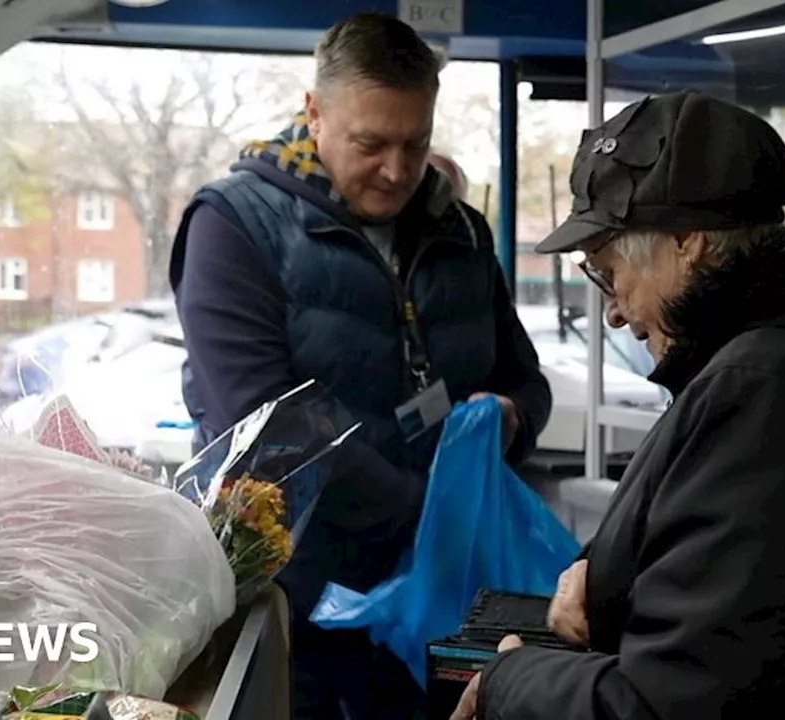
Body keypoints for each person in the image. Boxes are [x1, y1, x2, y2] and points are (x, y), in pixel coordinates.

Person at [453, 90, 785, 718]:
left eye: (609, 272)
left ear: (685, 240)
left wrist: (509, 680)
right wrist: (605, 585)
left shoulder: (769, 392)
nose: (610, 309)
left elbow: (677, 703)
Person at [169, 12, 551, 719]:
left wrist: (513, 420)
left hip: (450, 597)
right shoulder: (232, 226)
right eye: (371, 143)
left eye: (416, 143)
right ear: (314, 112)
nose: (398, 171)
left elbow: (524, 379)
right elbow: (265, 424)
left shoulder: (461, 231)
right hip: (304, 599)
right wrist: (428, 517)